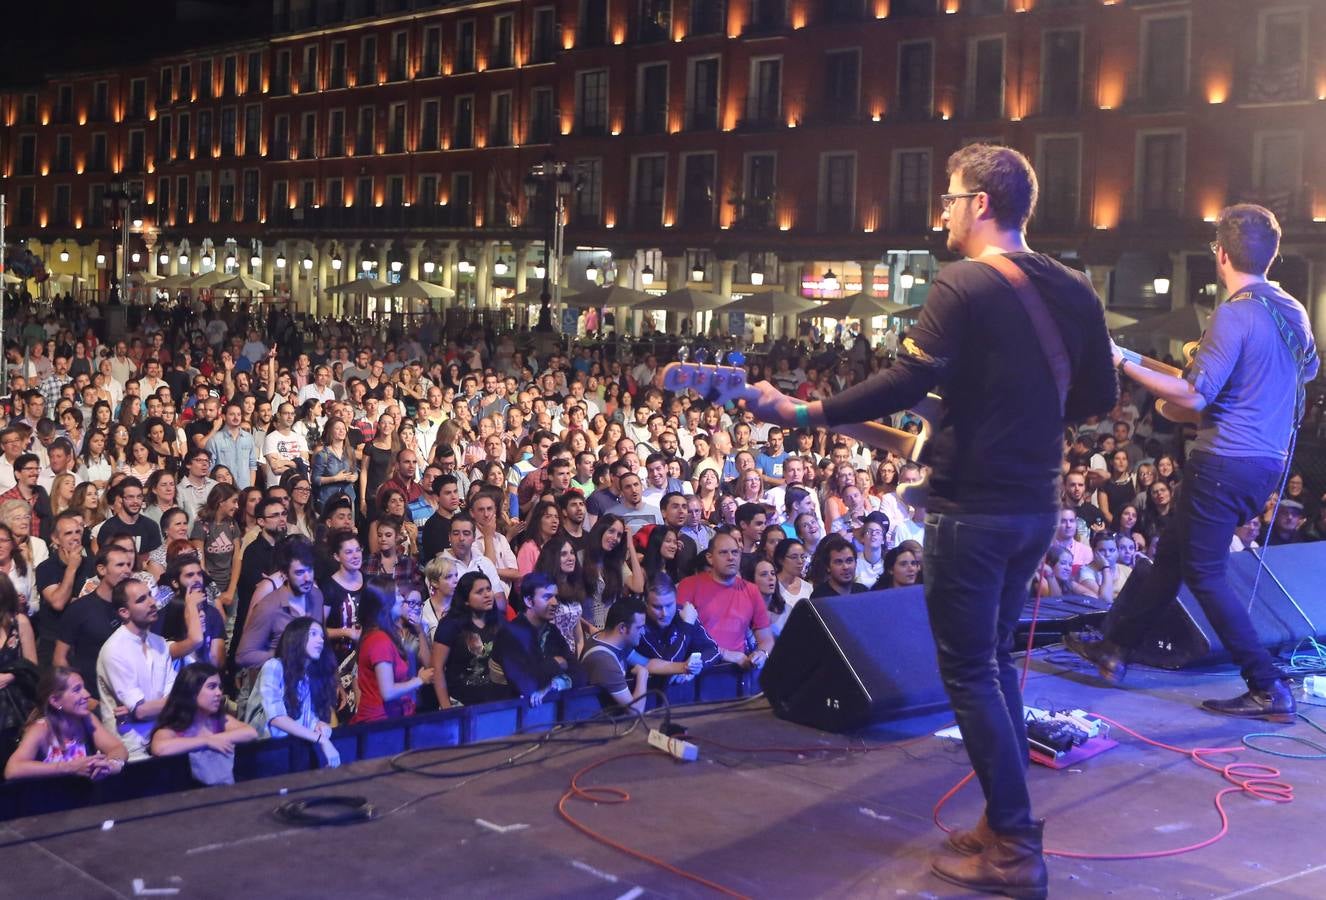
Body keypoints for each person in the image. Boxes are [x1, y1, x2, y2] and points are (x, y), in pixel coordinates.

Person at [745, 144, 1118, 896]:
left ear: (981, 203)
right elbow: (1098, 397)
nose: (940, 211)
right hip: (1035, 507)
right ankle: (1003, 821)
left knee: (971, 671)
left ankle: (1014, 846)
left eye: (948, 198)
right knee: (994, 668)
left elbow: (907, 378)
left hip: (972, 507)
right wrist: (1012, 413)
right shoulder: (1073, 286)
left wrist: (802, 410)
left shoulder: (964, 283)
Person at [1067, 204, 1319, 725]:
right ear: (1271, 256)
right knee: (1172, 558)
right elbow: (1306, 369)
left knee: (1204, 573)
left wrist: (1122, 359)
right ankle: (1114, 648)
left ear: (1220, 255)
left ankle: (1266, 685)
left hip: (1223, 460)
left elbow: (1193, 393)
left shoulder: (1234, 312)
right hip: (1265, 464)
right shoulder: (1294, 310)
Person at [96, 577, 180, 760]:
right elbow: (142, 710)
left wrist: (149, 708)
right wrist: (177, 701)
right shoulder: (115, 650)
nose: (152, 602)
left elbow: (174, 694)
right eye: (142, 600)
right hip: (129, 747)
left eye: (150, 595)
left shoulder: (159, 643)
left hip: (162, 734)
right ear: (124, 612)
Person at [4, 667, 127, 781]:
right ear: (55, 701)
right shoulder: (40, 729)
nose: (87, 695)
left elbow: (117, 748)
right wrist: (69, 767)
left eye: (83, 688)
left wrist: (111, 765)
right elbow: (12, 769)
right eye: (77, 690)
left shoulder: (87, 719)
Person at [676, 532, 774, 669]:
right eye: (723, 553)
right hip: (698, 669)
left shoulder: (751, 590)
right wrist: (723, 653)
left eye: (735, 552)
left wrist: (762, 654)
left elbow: (766, 638)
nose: (731, 557)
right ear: (710, 558)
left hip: (737, 670)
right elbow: (681, 635)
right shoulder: (689, 585)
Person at [251, 617, 340, 767]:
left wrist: (317, 725)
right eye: (313, 634)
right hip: (266, 753)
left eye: (322, 636)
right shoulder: (273, 666)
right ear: (296, 637)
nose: (320, 640)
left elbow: (305, 716)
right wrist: (321, 739)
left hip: (290, 751)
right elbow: (276, 718)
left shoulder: (306, 676)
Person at [148, 663, 257, 783]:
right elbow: (160, 748)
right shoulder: (171, 729)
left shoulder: (220, 720)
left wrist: (212, 739)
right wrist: (206, 741)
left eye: (219, 687)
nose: (219, 693)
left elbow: (250, 733)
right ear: (192, 690)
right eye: (212, 687)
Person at [351, 580, 434, 724]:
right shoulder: (379, 640)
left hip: (393, 718)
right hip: (380, 724)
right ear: (385, 602)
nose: (402, 599)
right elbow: (387, 692)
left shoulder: (382, 635)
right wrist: (419, 680)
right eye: (397, 595)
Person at [491, 572, 576, 706]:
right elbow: (526, 684)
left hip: (547, 712)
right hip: (509, 714)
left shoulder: (552, 630)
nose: (555, 603)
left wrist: (554, 684)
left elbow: (579, 673)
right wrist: (556, 662)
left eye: (555, 597)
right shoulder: (509, 634)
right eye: (547, 597)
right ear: (528, 601)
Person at [430, 571, 506, 708]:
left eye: (489, 589)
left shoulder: (499, 622)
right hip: (461, 703)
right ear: (465, 600)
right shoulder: (450, 625)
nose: (487, 594)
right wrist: (446, 707)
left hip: (496, 702)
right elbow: (437, 668)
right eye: (479, 592)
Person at [580, 596, 650, 712]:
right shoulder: (603, 660)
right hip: (598, 725)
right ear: (622, 628)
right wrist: (642, 676)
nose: (643, 632)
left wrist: (684, 667)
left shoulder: (614, 641)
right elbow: (635, 711)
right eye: (639, 627)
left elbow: (647, 663)